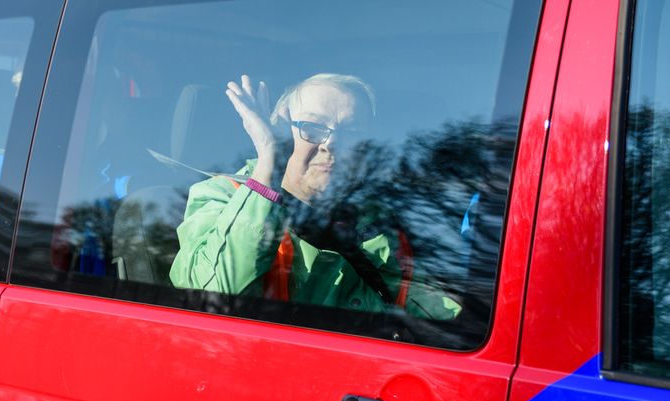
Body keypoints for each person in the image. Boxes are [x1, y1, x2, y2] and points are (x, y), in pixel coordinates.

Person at [168, 73, 460, 319]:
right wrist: (269, 159)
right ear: (279, 129)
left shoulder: (375, 217)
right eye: (312, 128)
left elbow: (428, 307)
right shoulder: (223, 197)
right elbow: (213, 300)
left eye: (353, 131)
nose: (332, 143)